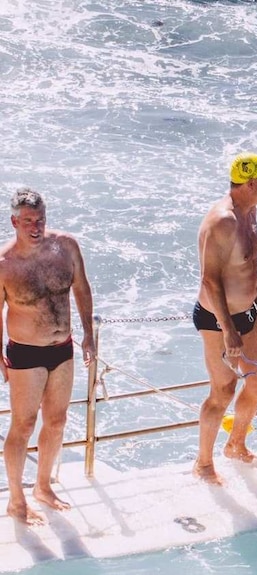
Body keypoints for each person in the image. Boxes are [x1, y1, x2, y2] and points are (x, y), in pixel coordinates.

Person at [0, 188, 95, 526]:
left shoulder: (66, 246)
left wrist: (88, 335)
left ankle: (43, 487)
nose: (36, 226)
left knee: (56, 421)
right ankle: (16, 500)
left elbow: (82, 288)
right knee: (23, 424)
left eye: (40, 219)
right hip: (25, 352)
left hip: (63, 347)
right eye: (28, 221)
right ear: (14, 221)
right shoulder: (4, 263)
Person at [193, 153, 257, 486]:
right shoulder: (223, 221)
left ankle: (236, 443)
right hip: (218, 320)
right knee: (223, 391)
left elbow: (250, 265)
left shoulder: (250, 212)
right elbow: (210, 280)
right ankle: (203, 463)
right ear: (250, 183)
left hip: (248, 313)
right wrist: (229, 332)